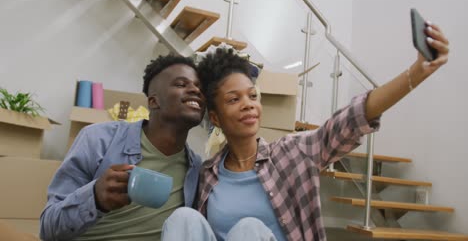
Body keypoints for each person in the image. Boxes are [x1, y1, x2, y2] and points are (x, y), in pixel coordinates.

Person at [161, 22, 450, 241]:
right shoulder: (208, 174)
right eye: (234, 100)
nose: (248, 105)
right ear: (216, 117)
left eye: (252, 95)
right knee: (182, 218)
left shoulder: (292, 153)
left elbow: (351, 119)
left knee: (248, 229)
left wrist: (415, 74)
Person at [40, 55, 206, 241]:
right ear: (153, 101)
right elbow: (48, 228)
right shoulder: (98, 139)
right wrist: (95, 198)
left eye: (199, 86)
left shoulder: (197, 169)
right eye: (181, 84)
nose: (195, 90)